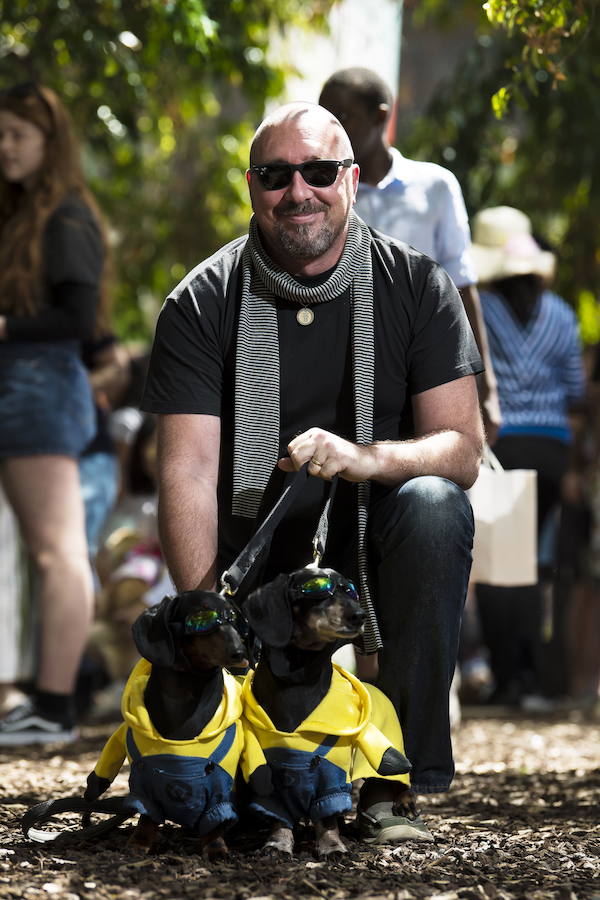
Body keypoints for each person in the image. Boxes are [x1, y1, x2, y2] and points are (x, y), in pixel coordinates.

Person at [141, 101, 484, 842]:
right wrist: (209, 620)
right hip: (251, 558)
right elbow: (189, 471)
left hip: (370, 546)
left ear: (352, 181)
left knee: (434, 502)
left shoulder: (418, 287)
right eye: (276, 175)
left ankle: (395, 782)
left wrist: (365, 460)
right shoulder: (202, 300)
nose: (299, 191)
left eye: (320, 171)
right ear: (252, 187)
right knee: (232, 806)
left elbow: (460, 446)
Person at [0, 82, 108, 744]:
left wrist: (5, 327)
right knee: (30, 553)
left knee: (58, 553)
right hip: (22, 388)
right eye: (0, 134)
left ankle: (56, 705)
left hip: (41, 390)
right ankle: (36, 699)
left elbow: (78, 318)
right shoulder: (20, 214)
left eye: (17, 134)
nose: (4, 146)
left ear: (49, 141)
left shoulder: (66, 217)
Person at [318, 67, 500, 446]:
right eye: (326, 117)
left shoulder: (434, 187)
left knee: (430, 476)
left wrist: (486, 387)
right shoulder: (322, 193)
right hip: (343, 367)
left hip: (425, 364)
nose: (331, 130)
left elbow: (461, 284)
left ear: (381, 117)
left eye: (343, 117)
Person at [470, 205, 586, 707]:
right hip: (554, 447)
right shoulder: (562, 312)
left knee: (499, 563)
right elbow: (576, 389)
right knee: (534, 566)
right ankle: (533, 674)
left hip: (505, 445)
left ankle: (510, 675)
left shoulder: (481, 311)